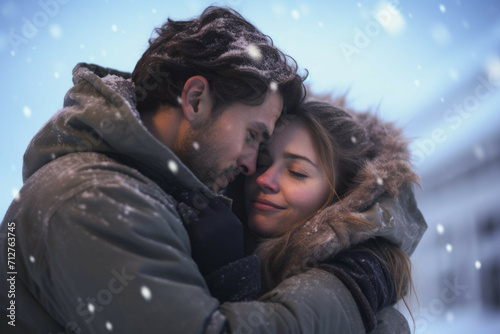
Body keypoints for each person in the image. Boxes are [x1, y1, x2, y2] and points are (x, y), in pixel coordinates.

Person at [0, 6, 417, 334]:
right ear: (196, 100)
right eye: (254, 137)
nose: (253, 167)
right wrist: (349, 293)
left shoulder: (159, 192)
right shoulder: (95, 199)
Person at [226, 100, 427, 332]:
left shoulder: (349, 287)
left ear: (342, 199)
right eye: (261, 163)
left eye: (297, 172)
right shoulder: (211, 228)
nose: (264, 180)